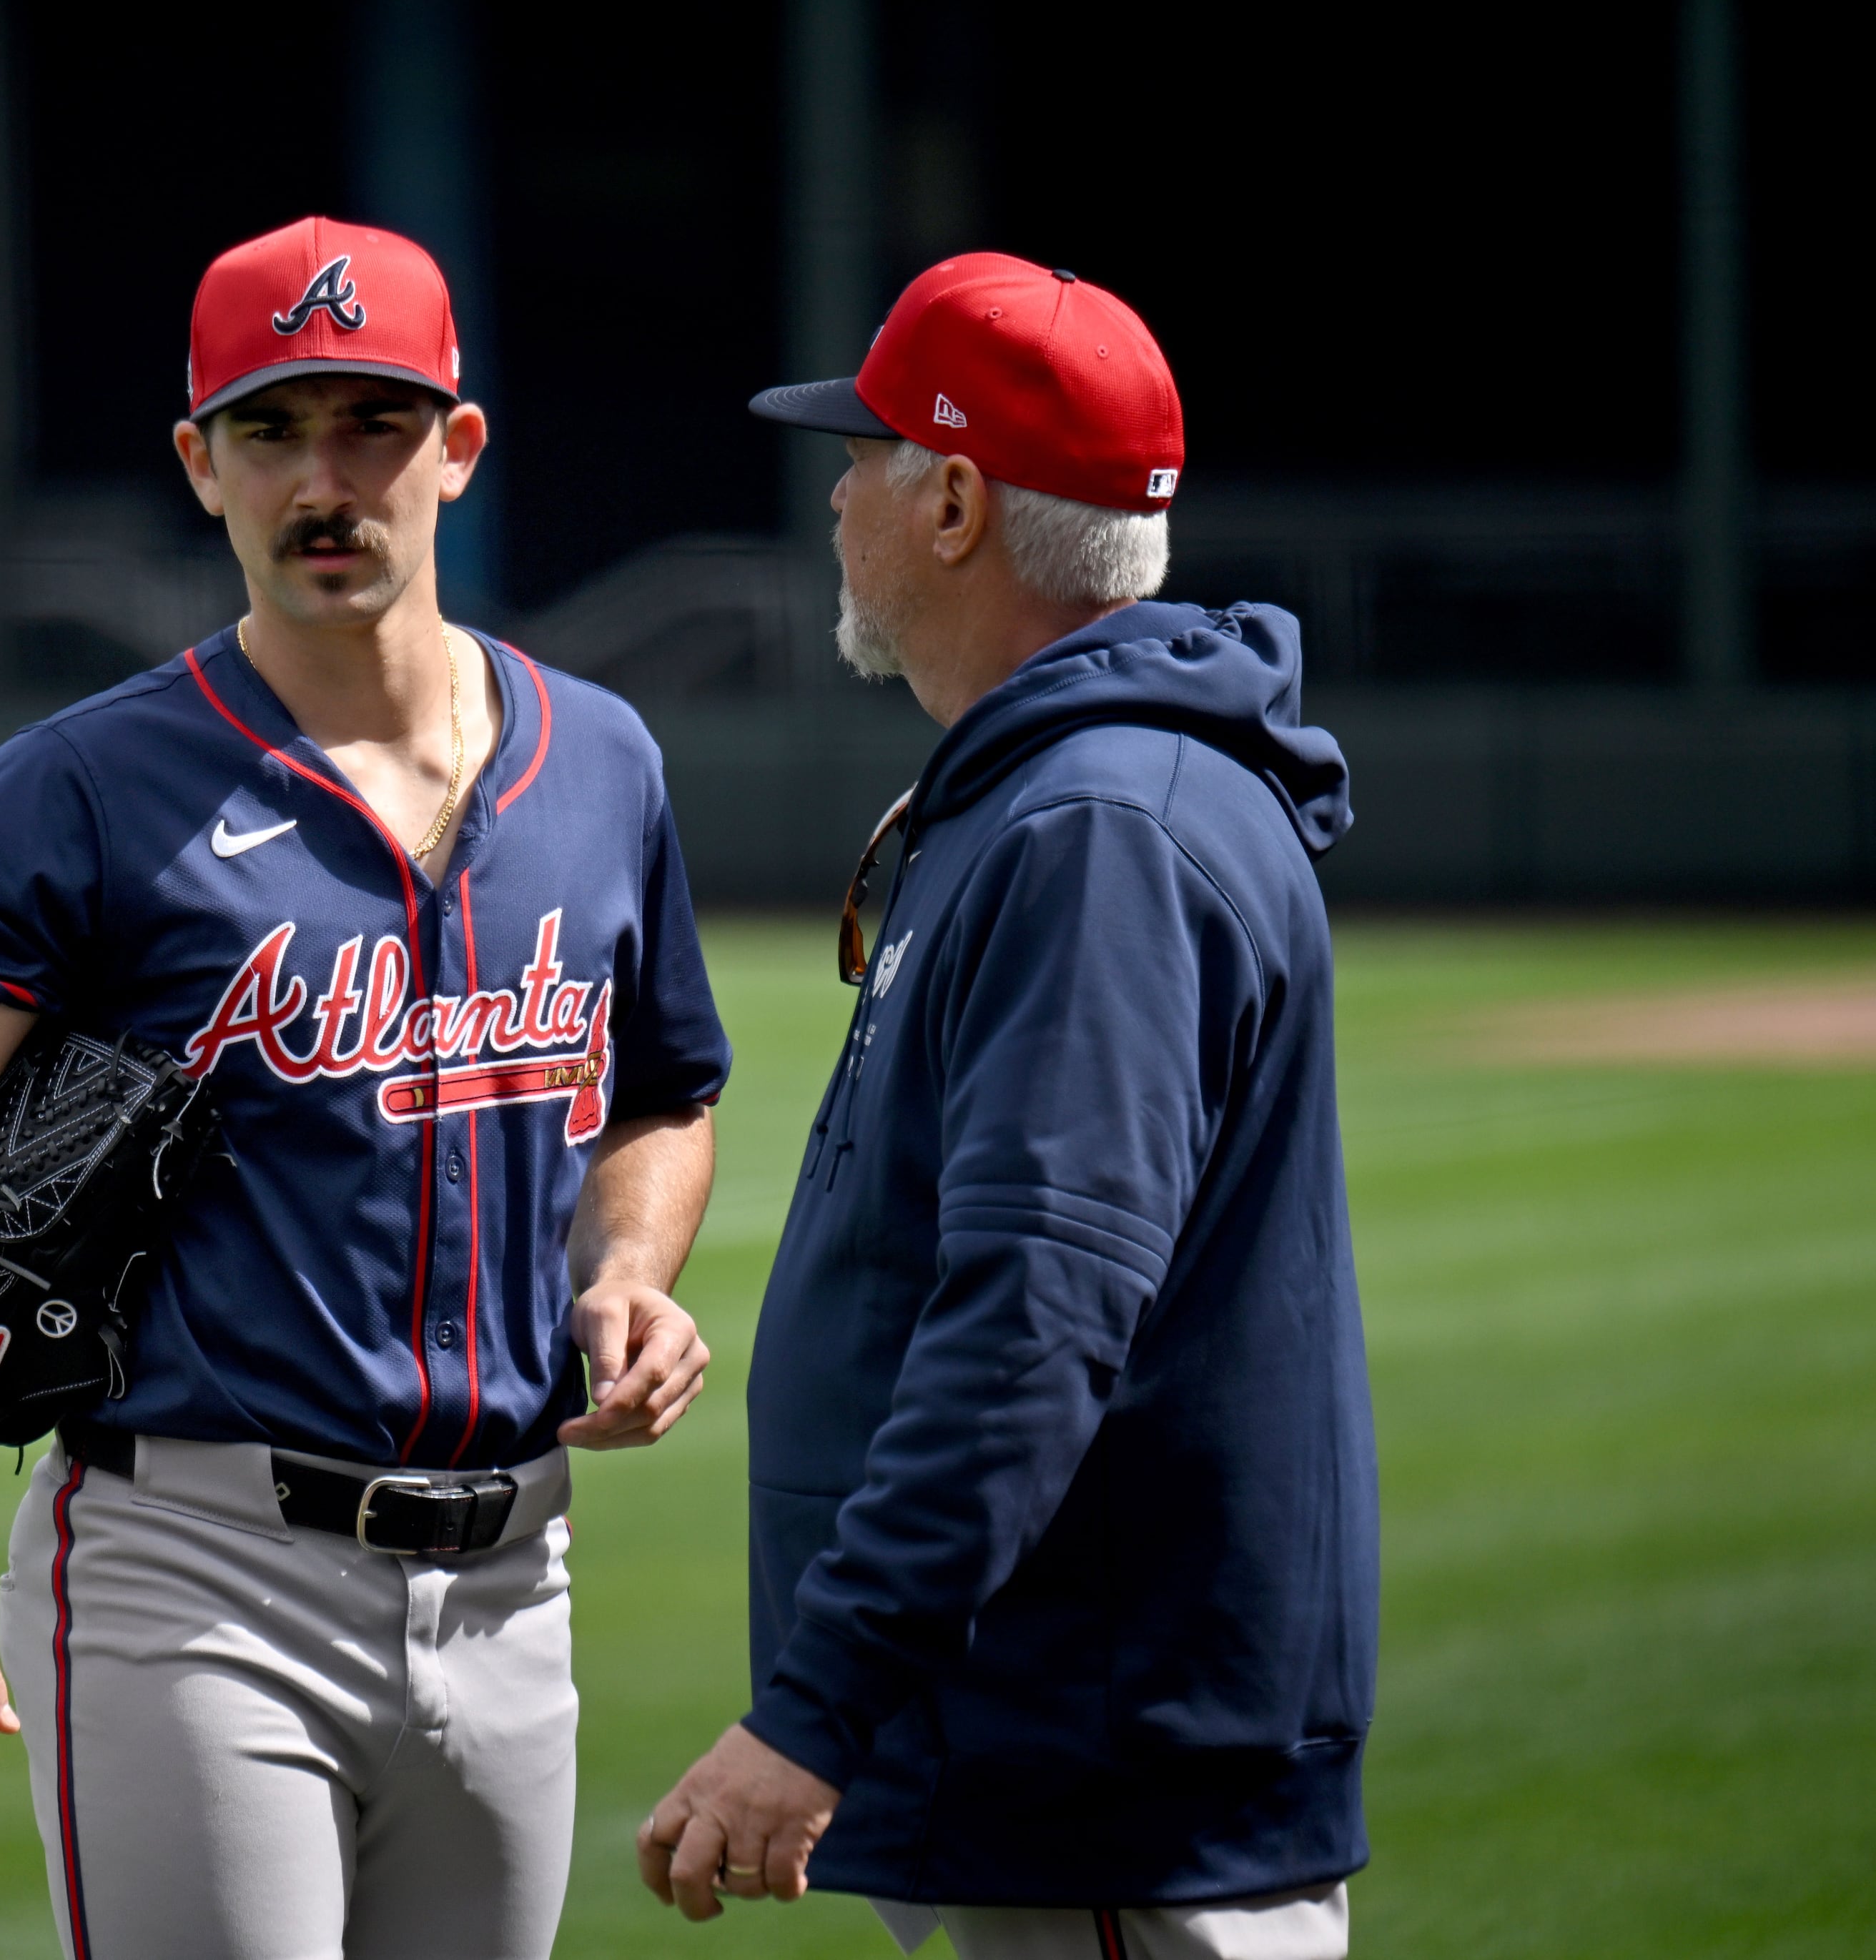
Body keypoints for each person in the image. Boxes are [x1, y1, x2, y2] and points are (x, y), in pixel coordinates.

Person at [0, 216, 732, 1960]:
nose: (325, 478)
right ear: (198, 462)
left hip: (516, 1582)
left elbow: (665, 1088)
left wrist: (628, 1271)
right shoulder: (80, 791)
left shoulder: (601, 762)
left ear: (460, 446)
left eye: (373, 423)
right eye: (274, 428)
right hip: (195, 1578)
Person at [638, 252, 1376, 1959]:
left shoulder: (1099, 827)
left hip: (1099, 1777)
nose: (836, 493)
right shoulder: (1075, 786)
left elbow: (1035, 1319)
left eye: (868, 451)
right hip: (1065, 1754)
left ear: (957, 501)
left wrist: (815, 1713)